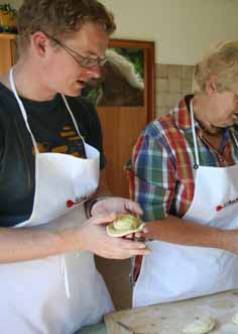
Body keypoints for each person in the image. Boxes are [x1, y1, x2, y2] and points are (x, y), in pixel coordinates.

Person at [0, 1, 149, 333]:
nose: (96, 73)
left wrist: (103, 207)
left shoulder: (82, 113)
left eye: (100, 60)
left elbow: (96, 191)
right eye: (86, 59)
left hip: (85, 302)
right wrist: (77, 238)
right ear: (41, 44)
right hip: (15, 313)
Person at [129, 40, 238, 307]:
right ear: (213, 85)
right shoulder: (162, 138)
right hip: (170, 289)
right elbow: (150, 222)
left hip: (224, 286)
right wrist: (226, 240)